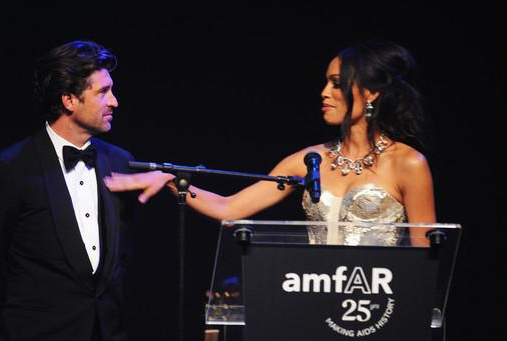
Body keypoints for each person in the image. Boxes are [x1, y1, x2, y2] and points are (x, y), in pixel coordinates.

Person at [104, 40, 436, 246]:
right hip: (315, 309)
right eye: (325, 82)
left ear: (371, 93)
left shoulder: (407, 164)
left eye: (336, 84)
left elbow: (426, 260)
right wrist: (168, 180)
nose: (324, 93)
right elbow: (229, 209)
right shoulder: (309, 161)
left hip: (379, 314)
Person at [0, 40, 136, 341]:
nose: (115, 101)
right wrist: (19, 338)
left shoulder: (122, 164)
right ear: (69, 100)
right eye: (103, 92)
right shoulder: (9, 170)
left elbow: (120, 262)